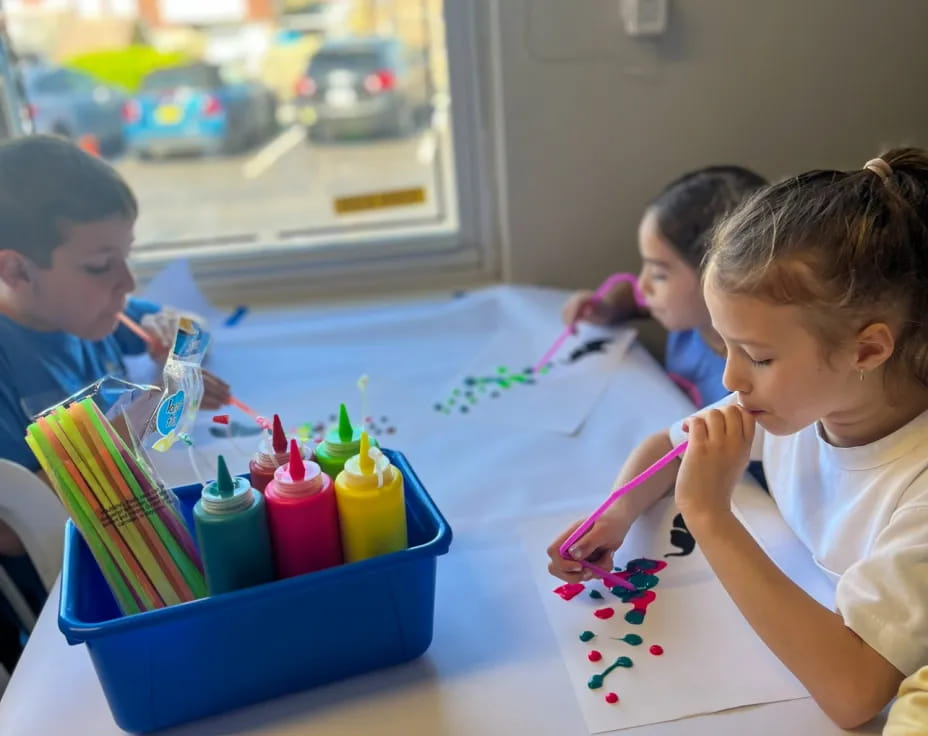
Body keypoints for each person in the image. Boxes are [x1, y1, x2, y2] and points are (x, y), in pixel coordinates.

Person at [548, 150, 928, 729]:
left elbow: (854, 695)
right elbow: (667, 447)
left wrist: (709, 514)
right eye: (724, 346)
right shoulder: (804, 400)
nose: (729, 378)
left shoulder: (916, 486)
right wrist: (618, 512)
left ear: (867, 350)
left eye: (757, 356)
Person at [0, 136, 231, 666]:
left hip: (148, 537)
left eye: (126, 257)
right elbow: (11, 533)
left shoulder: (88, 312)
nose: (126, 283)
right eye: (101, 265)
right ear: (16, 271)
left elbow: (193, 328)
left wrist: (179, 347)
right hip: (77, 605)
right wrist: (146, 416)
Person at [562, 166, 767, 407]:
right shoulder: (691, 314)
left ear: (723, 280)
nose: (643, 285)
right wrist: (609, 308)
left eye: (659, 274)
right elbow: (635, 299)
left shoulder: (751, 380)